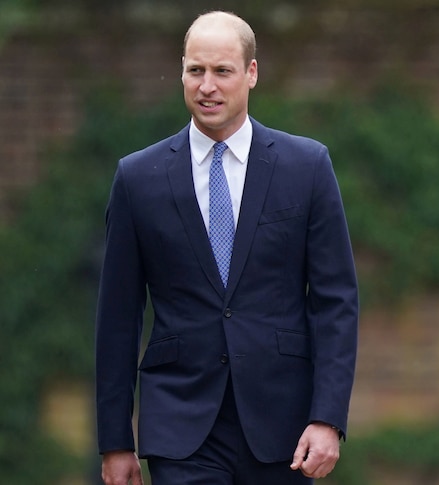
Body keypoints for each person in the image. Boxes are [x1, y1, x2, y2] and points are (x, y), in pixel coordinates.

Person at [95, 11, 359, 485]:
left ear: (251, 73)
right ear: (181, 72)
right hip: (180, 424)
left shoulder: (307, 166)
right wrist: (115, 440)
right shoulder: (137, 178)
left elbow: (335, 302)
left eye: (222, 71)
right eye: (195, 70)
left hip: (284, 425)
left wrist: (328, 417)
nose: (207, 86)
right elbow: (117, 315)